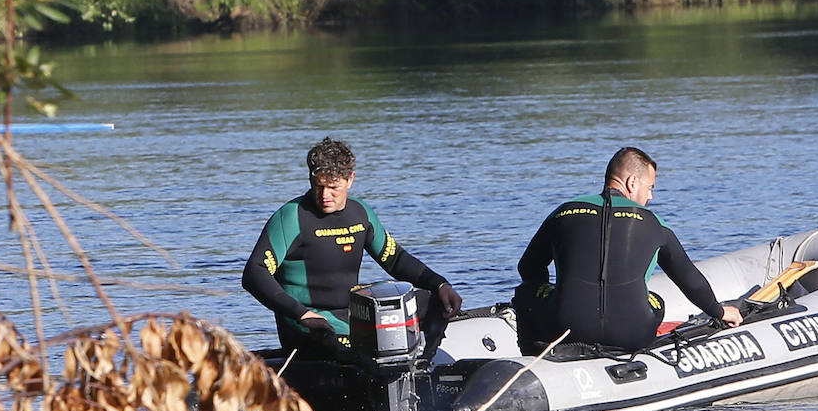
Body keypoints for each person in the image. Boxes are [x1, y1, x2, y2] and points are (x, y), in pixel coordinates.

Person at [243, 136, 463, 359]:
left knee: (437, 302)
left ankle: (424, 363)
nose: (325, 195)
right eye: (318, 186)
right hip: (308, 322)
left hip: (353, 315)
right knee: (351, 345)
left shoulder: (360, 213)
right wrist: (300, 313)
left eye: (333, 187)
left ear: (350, 180)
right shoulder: (291, 217)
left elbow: (394, 259)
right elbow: (254, 273)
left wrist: (440, 284)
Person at [514, 146, 743, 354]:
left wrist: (555, 297)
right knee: (656, 300)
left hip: (566, 331)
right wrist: (720, 311)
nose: (650, 196)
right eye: (650, 187)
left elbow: (527, 267)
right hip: (633, 335)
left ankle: (536, 357)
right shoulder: (654, 223)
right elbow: (689, 279)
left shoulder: (563, 212)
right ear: (632, 182)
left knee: (525, 292)